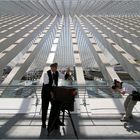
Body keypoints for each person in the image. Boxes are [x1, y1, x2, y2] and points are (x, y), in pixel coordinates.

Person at [41, 63, 70, 128]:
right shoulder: (46, 74)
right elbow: (46, 85)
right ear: (51, 67)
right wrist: (51, 92)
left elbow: (64, 77)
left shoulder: (57, 73)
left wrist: (67, 73)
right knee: (44, 108)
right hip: (46, 93)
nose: (55, 68)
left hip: (53, 92)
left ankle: (56, 122)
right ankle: (43, 123)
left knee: (55, 108)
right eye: (54, 67)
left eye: (56, 67)